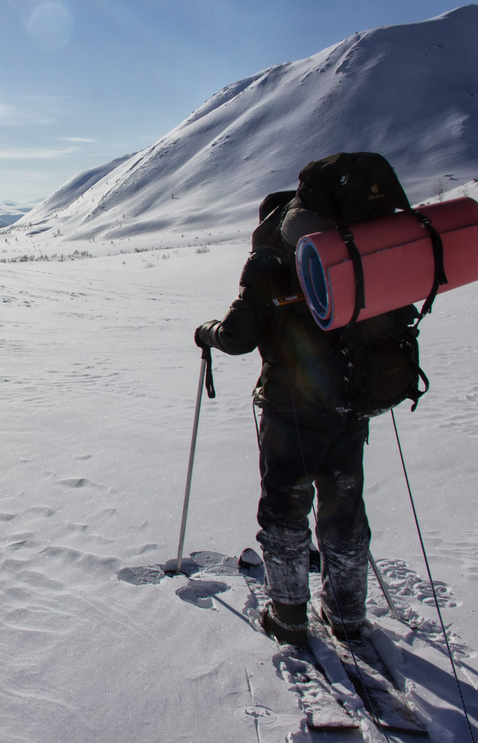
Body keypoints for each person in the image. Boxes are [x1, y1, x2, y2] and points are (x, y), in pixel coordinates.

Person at [193, 191, 376, 647]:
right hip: (348, 408)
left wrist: (206, 333)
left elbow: (237, 337)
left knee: (285, 508)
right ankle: (348, 615)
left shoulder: (267, 264)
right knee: (344, 507)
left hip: (290, 411)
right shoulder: (346, 254)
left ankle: (290, 617)